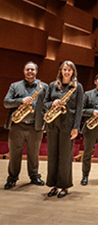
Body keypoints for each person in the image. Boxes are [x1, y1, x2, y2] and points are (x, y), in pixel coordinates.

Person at [44, 60, 84, 198]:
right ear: (61, 71)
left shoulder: (77, 87)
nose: (67, 72)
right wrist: (52, 103)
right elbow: (45, 103)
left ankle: (64, 186)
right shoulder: (52, 86)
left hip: (68, 125)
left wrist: (76, 128)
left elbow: (79, 109)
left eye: (69, 70)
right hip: (53, 124)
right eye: (64, 69)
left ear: (73, 72)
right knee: (52, 155)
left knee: (65, 156)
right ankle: (53, 185)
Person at [3, 61, 47, 189]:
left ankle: (34, 176)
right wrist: (20, 100)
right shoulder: (15, 86)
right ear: (24, 71)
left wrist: (44, 122)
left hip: (35, 126)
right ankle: (12, 178)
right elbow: (6, 102)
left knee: (34, 154)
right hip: (17, 125)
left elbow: (46, 106)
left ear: (36, 71)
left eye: (32, 70)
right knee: (15, 153)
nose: (30, 72)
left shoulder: (43, 87)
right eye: (28, 69)